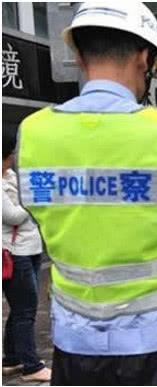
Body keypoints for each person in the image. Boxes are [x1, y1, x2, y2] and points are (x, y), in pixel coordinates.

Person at [16, 2, 157, 385]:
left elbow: (38, 210)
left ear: (79, 57)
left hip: (75, 343)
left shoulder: (32, 132)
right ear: (143, 57)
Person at [2, 131, 52, 382]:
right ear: (8, 154)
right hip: (14, 253)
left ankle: (11, 360)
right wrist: (32, 201)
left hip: (28, 248)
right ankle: (32, 366)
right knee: (26, 311)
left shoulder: (10, 176)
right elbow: (11, 216)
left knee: (20, 308)